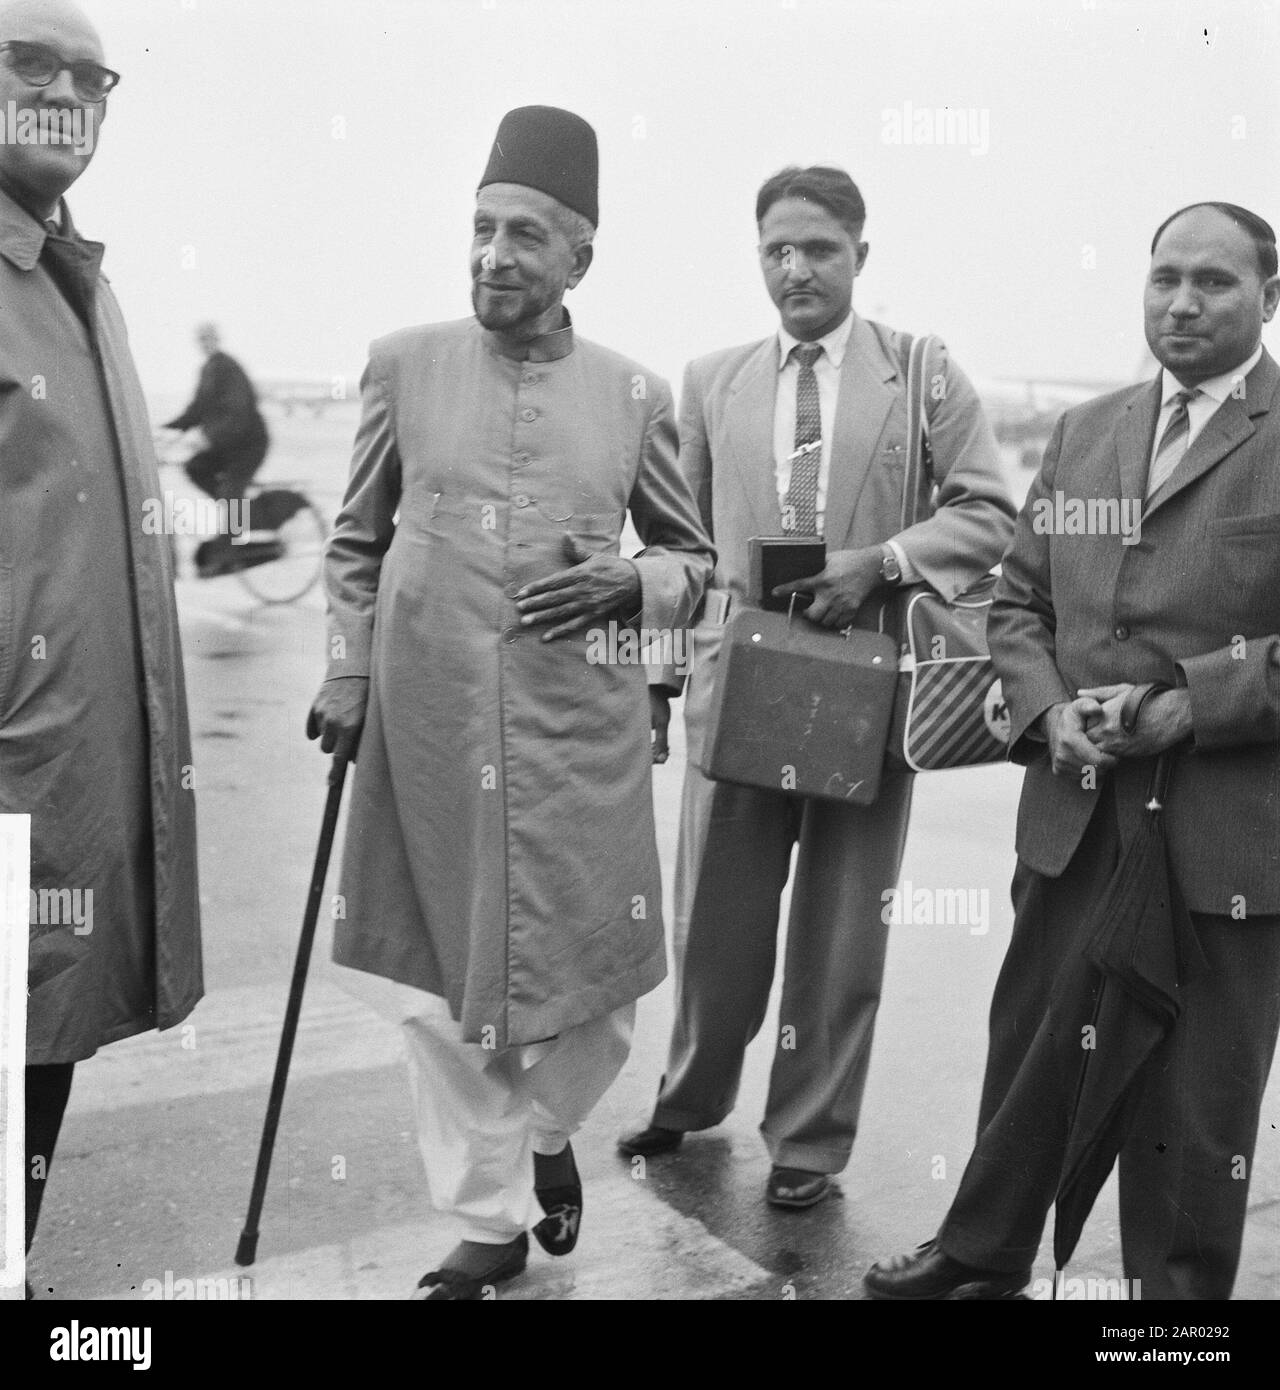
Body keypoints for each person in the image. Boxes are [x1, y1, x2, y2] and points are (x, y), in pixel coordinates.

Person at [307, 105, 714, 1301]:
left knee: (596, 1000)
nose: (493, 255)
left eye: (524, 235)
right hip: (426, 729)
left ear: (578, 258)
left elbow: (697, 564)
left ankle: (547, 1135)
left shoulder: (635, 394)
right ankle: (487, 1222)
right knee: (440, 996)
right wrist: (346, 667)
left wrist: (634, 580)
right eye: (480, 229)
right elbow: (351, 545)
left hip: (575, 738)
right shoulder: (401, 361)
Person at [865, 201, 1280, 1301]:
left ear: (1266, 299)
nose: (1180, 302)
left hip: (1225, 839)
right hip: (1075, 812)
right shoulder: (1087, 432)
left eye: (1212, 282)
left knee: (1195, 1100)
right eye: (1163, 279)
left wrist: (1195, 706)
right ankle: (979, 1253)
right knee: (1033, 1048)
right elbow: (1016, 600)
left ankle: (1172, 1307)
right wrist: (1045, 710)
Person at [618, 166, 1015, 1209]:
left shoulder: (921, 373)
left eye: (818, 250)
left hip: (864, 695)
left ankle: (807, 1141)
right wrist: (658, 681)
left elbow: (986, 515)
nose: (794, 268)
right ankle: (688, 1096)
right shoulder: (710, 378)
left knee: (843, 931)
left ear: (859, 257)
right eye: (774, 251)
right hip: (737, 684)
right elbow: (678, 542)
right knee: (713, 918)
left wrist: (879, 562)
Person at [0, 0, 201, 1291]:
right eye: (32, 63)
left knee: (38, 1049)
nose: (68, 89)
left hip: (68, 781)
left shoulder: (84, 283)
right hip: (15, 770)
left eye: (93, 73)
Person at [163, 322, 270, 575]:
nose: (205, 343)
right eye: (201, 339)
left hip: (248, 444)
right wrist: (169, 428)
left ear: (216, 339)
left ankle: (226, 552)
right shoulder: (208, 369)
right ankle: (235, 512)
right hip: (225, 444)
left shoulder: (228, 367)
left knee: (232, 489)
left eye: (209, 338)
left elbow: (239, 408)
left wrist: (212, 437)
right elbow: (198, 408)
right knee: (194, 467)